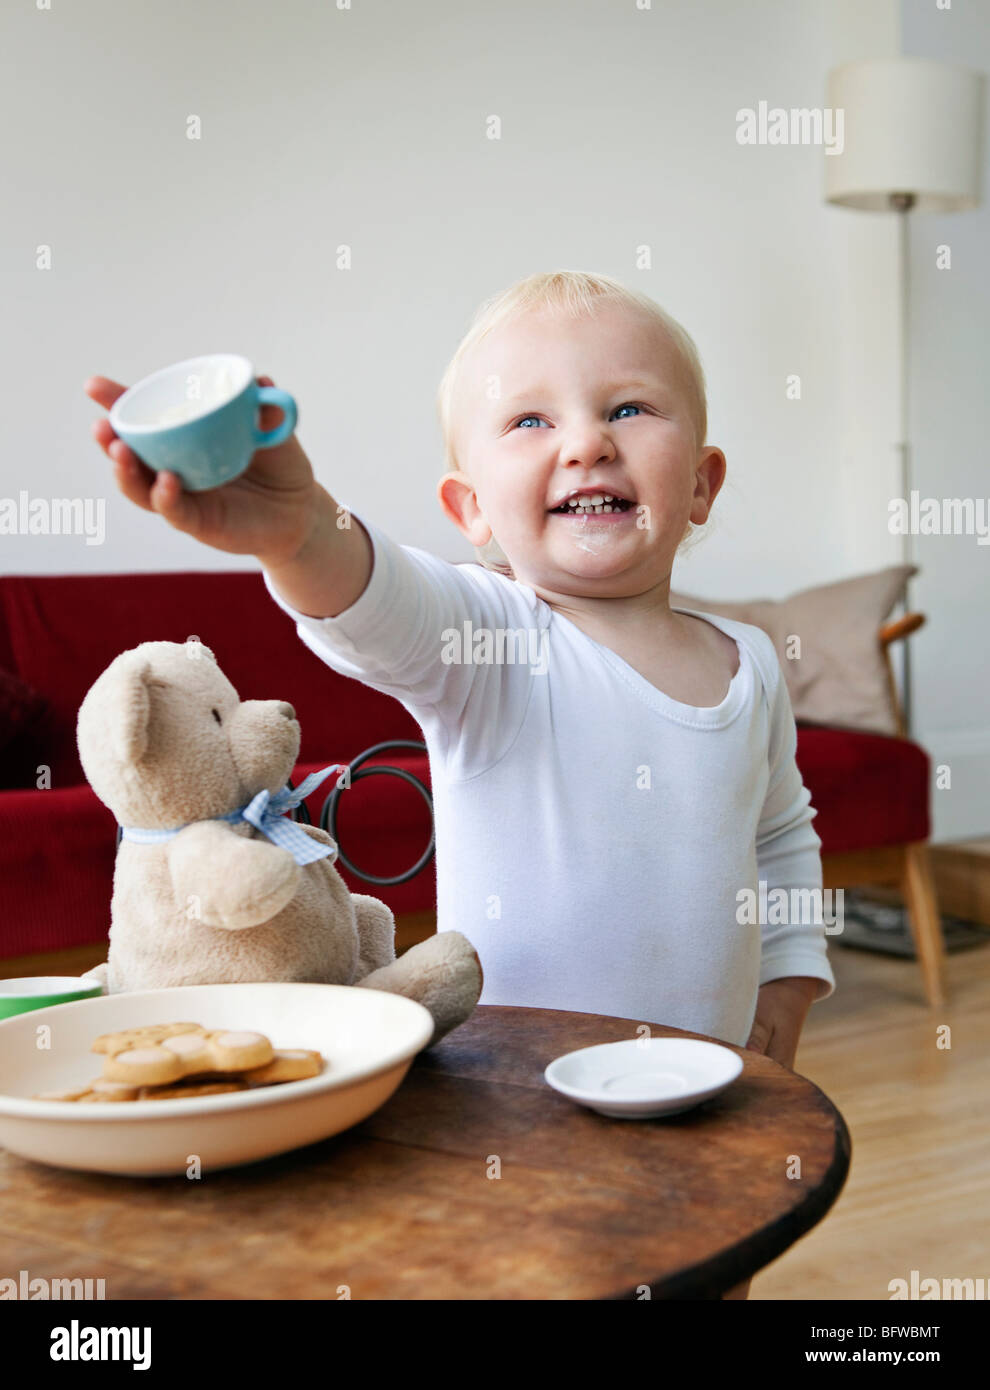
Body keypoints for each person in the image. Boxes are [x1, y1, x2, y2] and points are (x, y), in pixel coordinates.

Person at [86, 270, 835, 1301]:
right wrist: (296, 528)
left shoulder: (753, 661)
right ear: (472, 509)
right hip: (516, 1105)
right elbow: (375, 597)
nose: (586, 442)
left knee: (713, 1263)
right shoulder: (491, 644)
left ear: (701, 483)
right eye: (532, 419)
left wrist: (789, 986)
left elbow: (784, 835)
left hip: (704, 1087)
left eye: (627, 406)